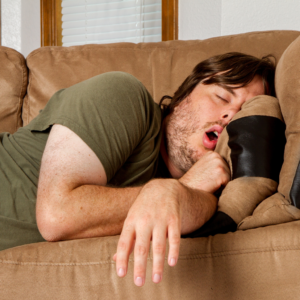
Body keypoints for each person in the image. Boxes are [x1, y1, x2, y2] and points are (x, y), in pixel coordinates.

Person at [0, 52, 275, 286]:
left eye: (242, 114)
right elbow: (56, 214)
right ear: (182, 98)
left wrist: (184, 191)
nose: (229, 117)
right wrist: (182, 187)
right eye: (222, 97)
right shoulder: (123, 95)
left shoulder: (209, 194)